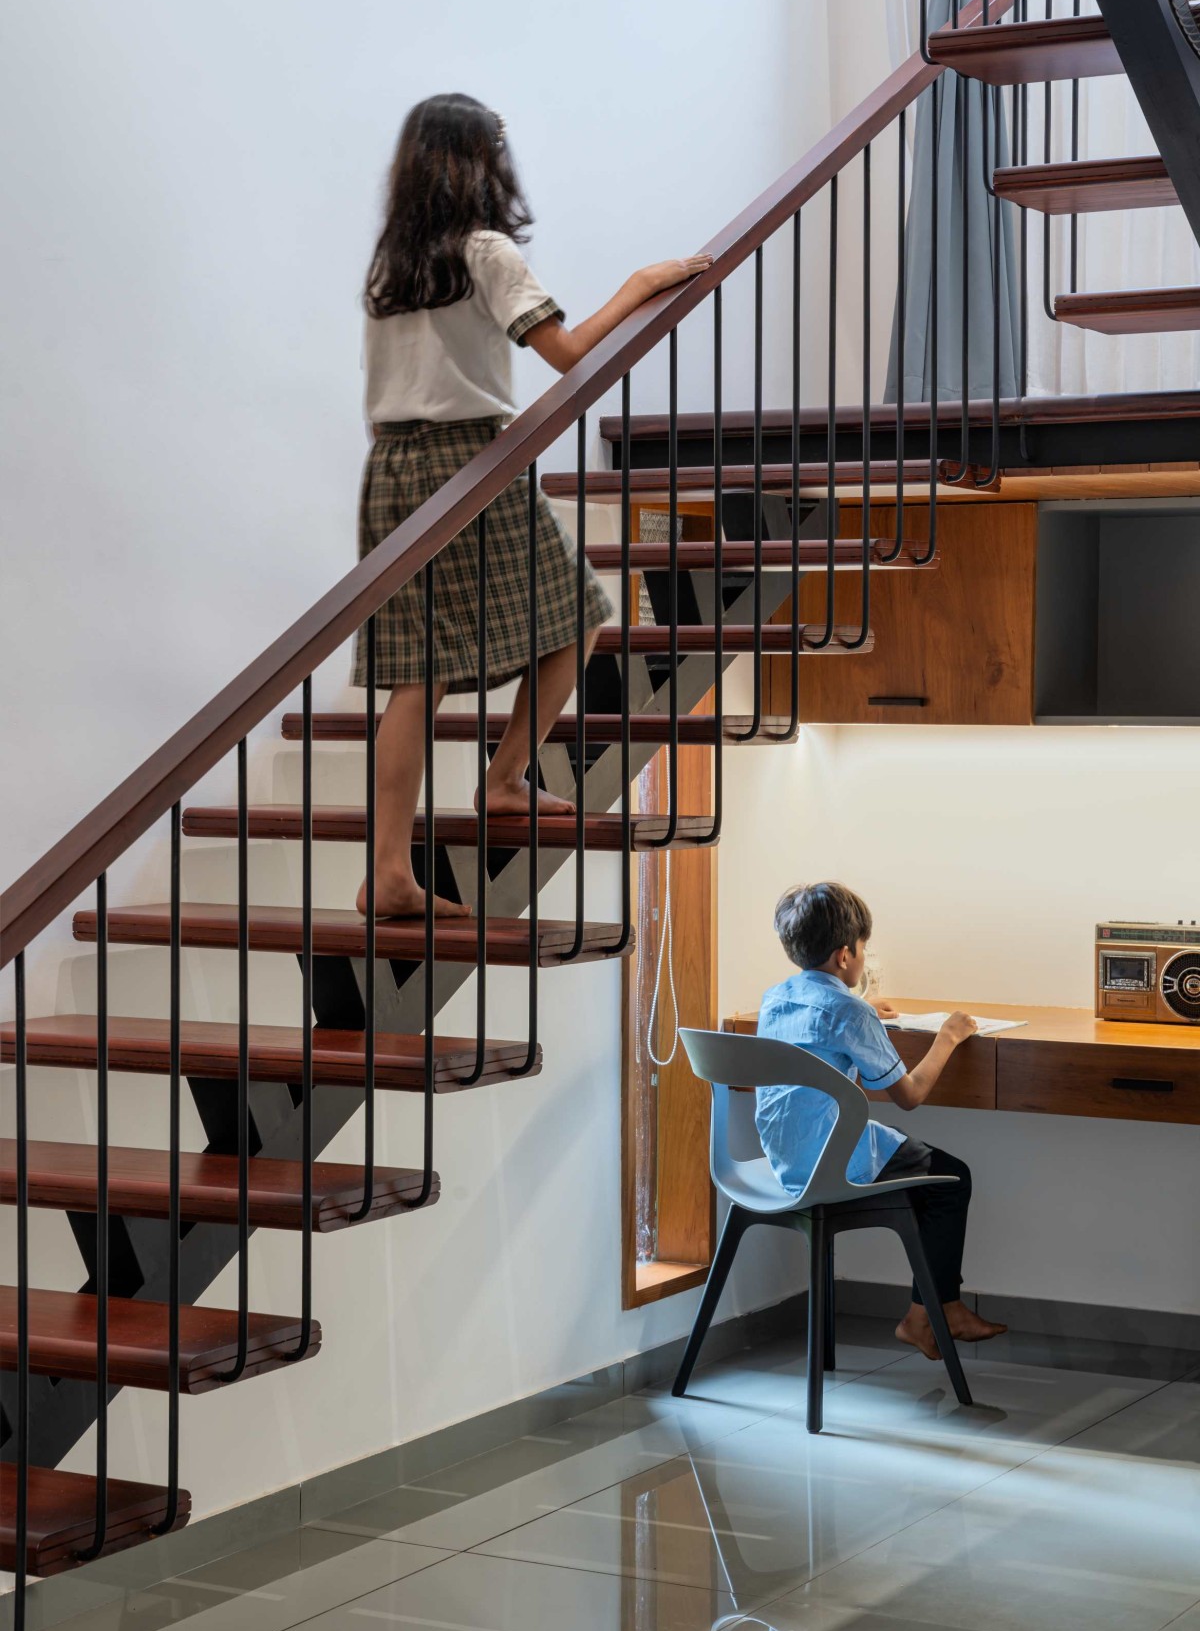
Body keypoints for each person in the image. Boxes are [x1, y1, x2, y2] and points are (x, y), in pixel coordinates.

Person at [353, 92, 712, 919]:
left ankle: (391, 871)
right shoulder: (485, 252)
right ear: (481, 158)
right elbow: (568, 353)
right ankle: (508, 776)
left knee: (414, 677)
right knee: (581, 613)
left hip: (392, 465)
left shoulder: (392, 265)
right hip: (471, 461)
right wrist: (642, 283)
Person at [756, 881, 1007, 1360]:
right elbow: (909, 1096)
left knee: (925, 1177)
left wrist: (864, 1012)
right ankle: (933, 1313)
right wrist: (949, 1037)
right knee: (951, 1181)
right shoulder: (849, 1012)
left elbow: (820, 1026)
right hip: (833, 1160)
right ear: (845, 954)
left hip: (783, 1155)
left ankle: (931, 1311)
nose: (865, 958)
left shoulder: (777, 998)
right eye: (864, 949)